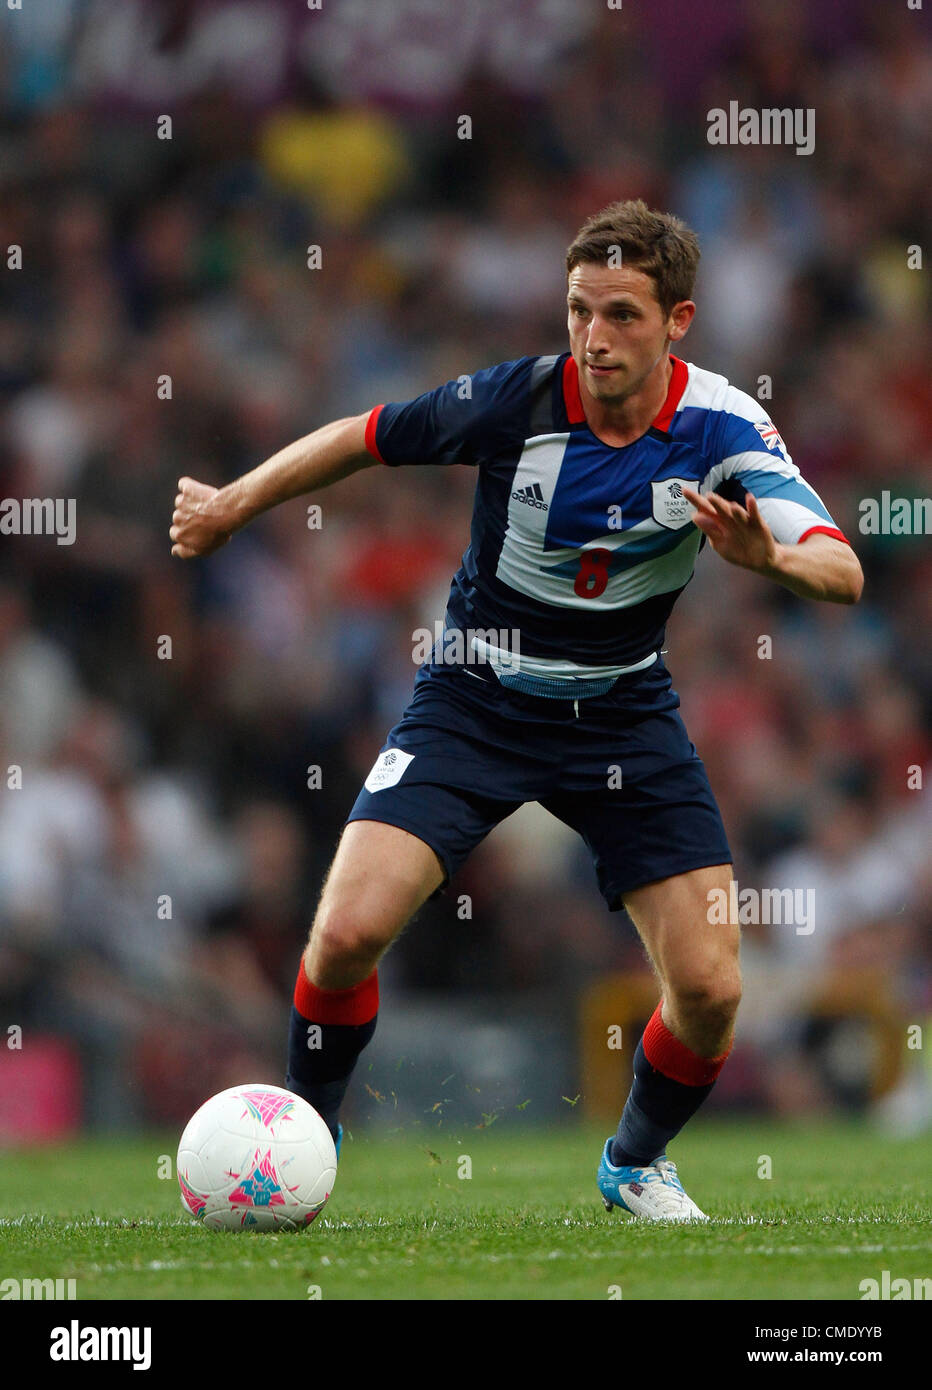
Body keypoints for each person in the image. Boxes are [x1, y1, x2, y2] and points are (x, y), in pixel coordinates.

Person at [169, 200, 863, 1221]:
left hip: (624, 713)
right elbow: (361, 437)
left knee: (712, 990)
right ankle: (303, 1138)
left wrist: (772, 559)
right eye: (579, 310)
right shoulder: (514, 398)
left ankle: (633, 1161)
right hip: (472, 701)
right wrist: (232, 503)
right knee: (345, 933)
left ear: (678, 322)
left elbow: (840, 568)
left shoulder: (722, 425)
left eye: (622, 314)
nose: (593, 336)